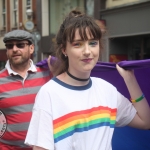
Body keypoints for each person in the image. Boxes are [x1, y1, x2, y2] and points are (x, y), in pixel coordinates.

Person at [25, 10, 150, 150]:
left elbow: (145, 122)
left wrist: (130, 80)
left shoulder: (107, 90)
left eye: (92, 43)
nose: (87, 51)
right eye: (77, 44)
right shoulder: (49, 93)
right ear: (64, 50)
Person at [0, 29, 52, 150]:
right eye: (9, 46)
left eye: (20, 45)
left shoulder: (47, 75)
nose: (14, 49)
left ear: (31, 48)